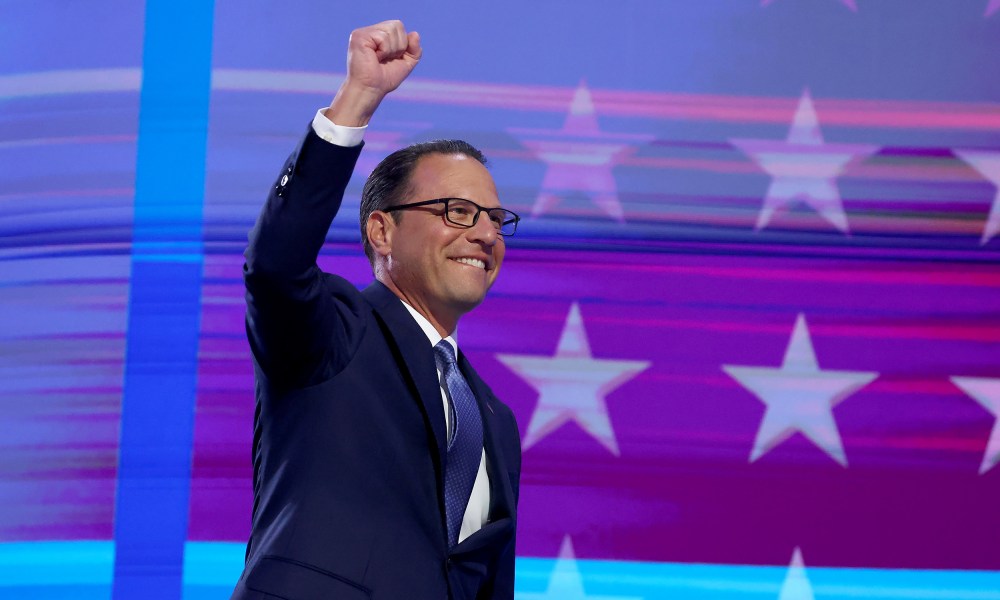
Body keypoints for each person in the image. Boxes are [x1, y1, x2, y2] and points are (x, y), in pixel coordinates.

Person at [230, 20, 522, 600]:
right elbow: (276, 265)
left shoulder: (495, 417)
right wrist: (359, 96)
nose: (486, 234)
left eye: (495, 219)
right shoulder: (336, 333)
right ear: (381, 231)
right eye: (458, 211)